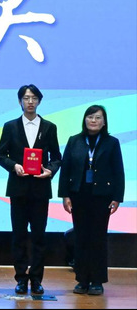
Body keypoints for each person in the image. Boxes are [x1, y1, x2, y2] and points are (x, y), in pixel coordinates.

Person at [0, 84, 61, 295]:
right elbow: (0, 155)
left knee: (39, 236)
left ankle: (37, 279)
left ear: (39, 101)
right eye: (26, 97)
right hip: (18, 188)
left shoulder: (49, 127)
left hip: (40, 189)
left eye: (33, 98)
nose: (30, 101)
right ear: (20, 101)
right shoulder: (10, 126)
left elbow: (56, 157)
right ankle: (21, 279)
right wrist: (14, 166)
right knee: (19, 235)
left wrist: (50, 171)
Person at [58, 105, 125, 296]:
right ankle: (82, 280)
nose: (93, 120)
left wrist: (117, 197)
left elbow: (118, 171)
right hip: (78, 195)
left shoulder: (112, 142)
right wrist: (65, 195)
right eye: (90, 117)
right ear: (84, 120)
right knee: (80, 237)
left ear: (104, 122)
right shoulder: (74, 141)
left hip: (102, 196)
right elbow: (65, 169)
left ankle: (97, 280)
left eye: (97, 117)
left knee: (98, 238)